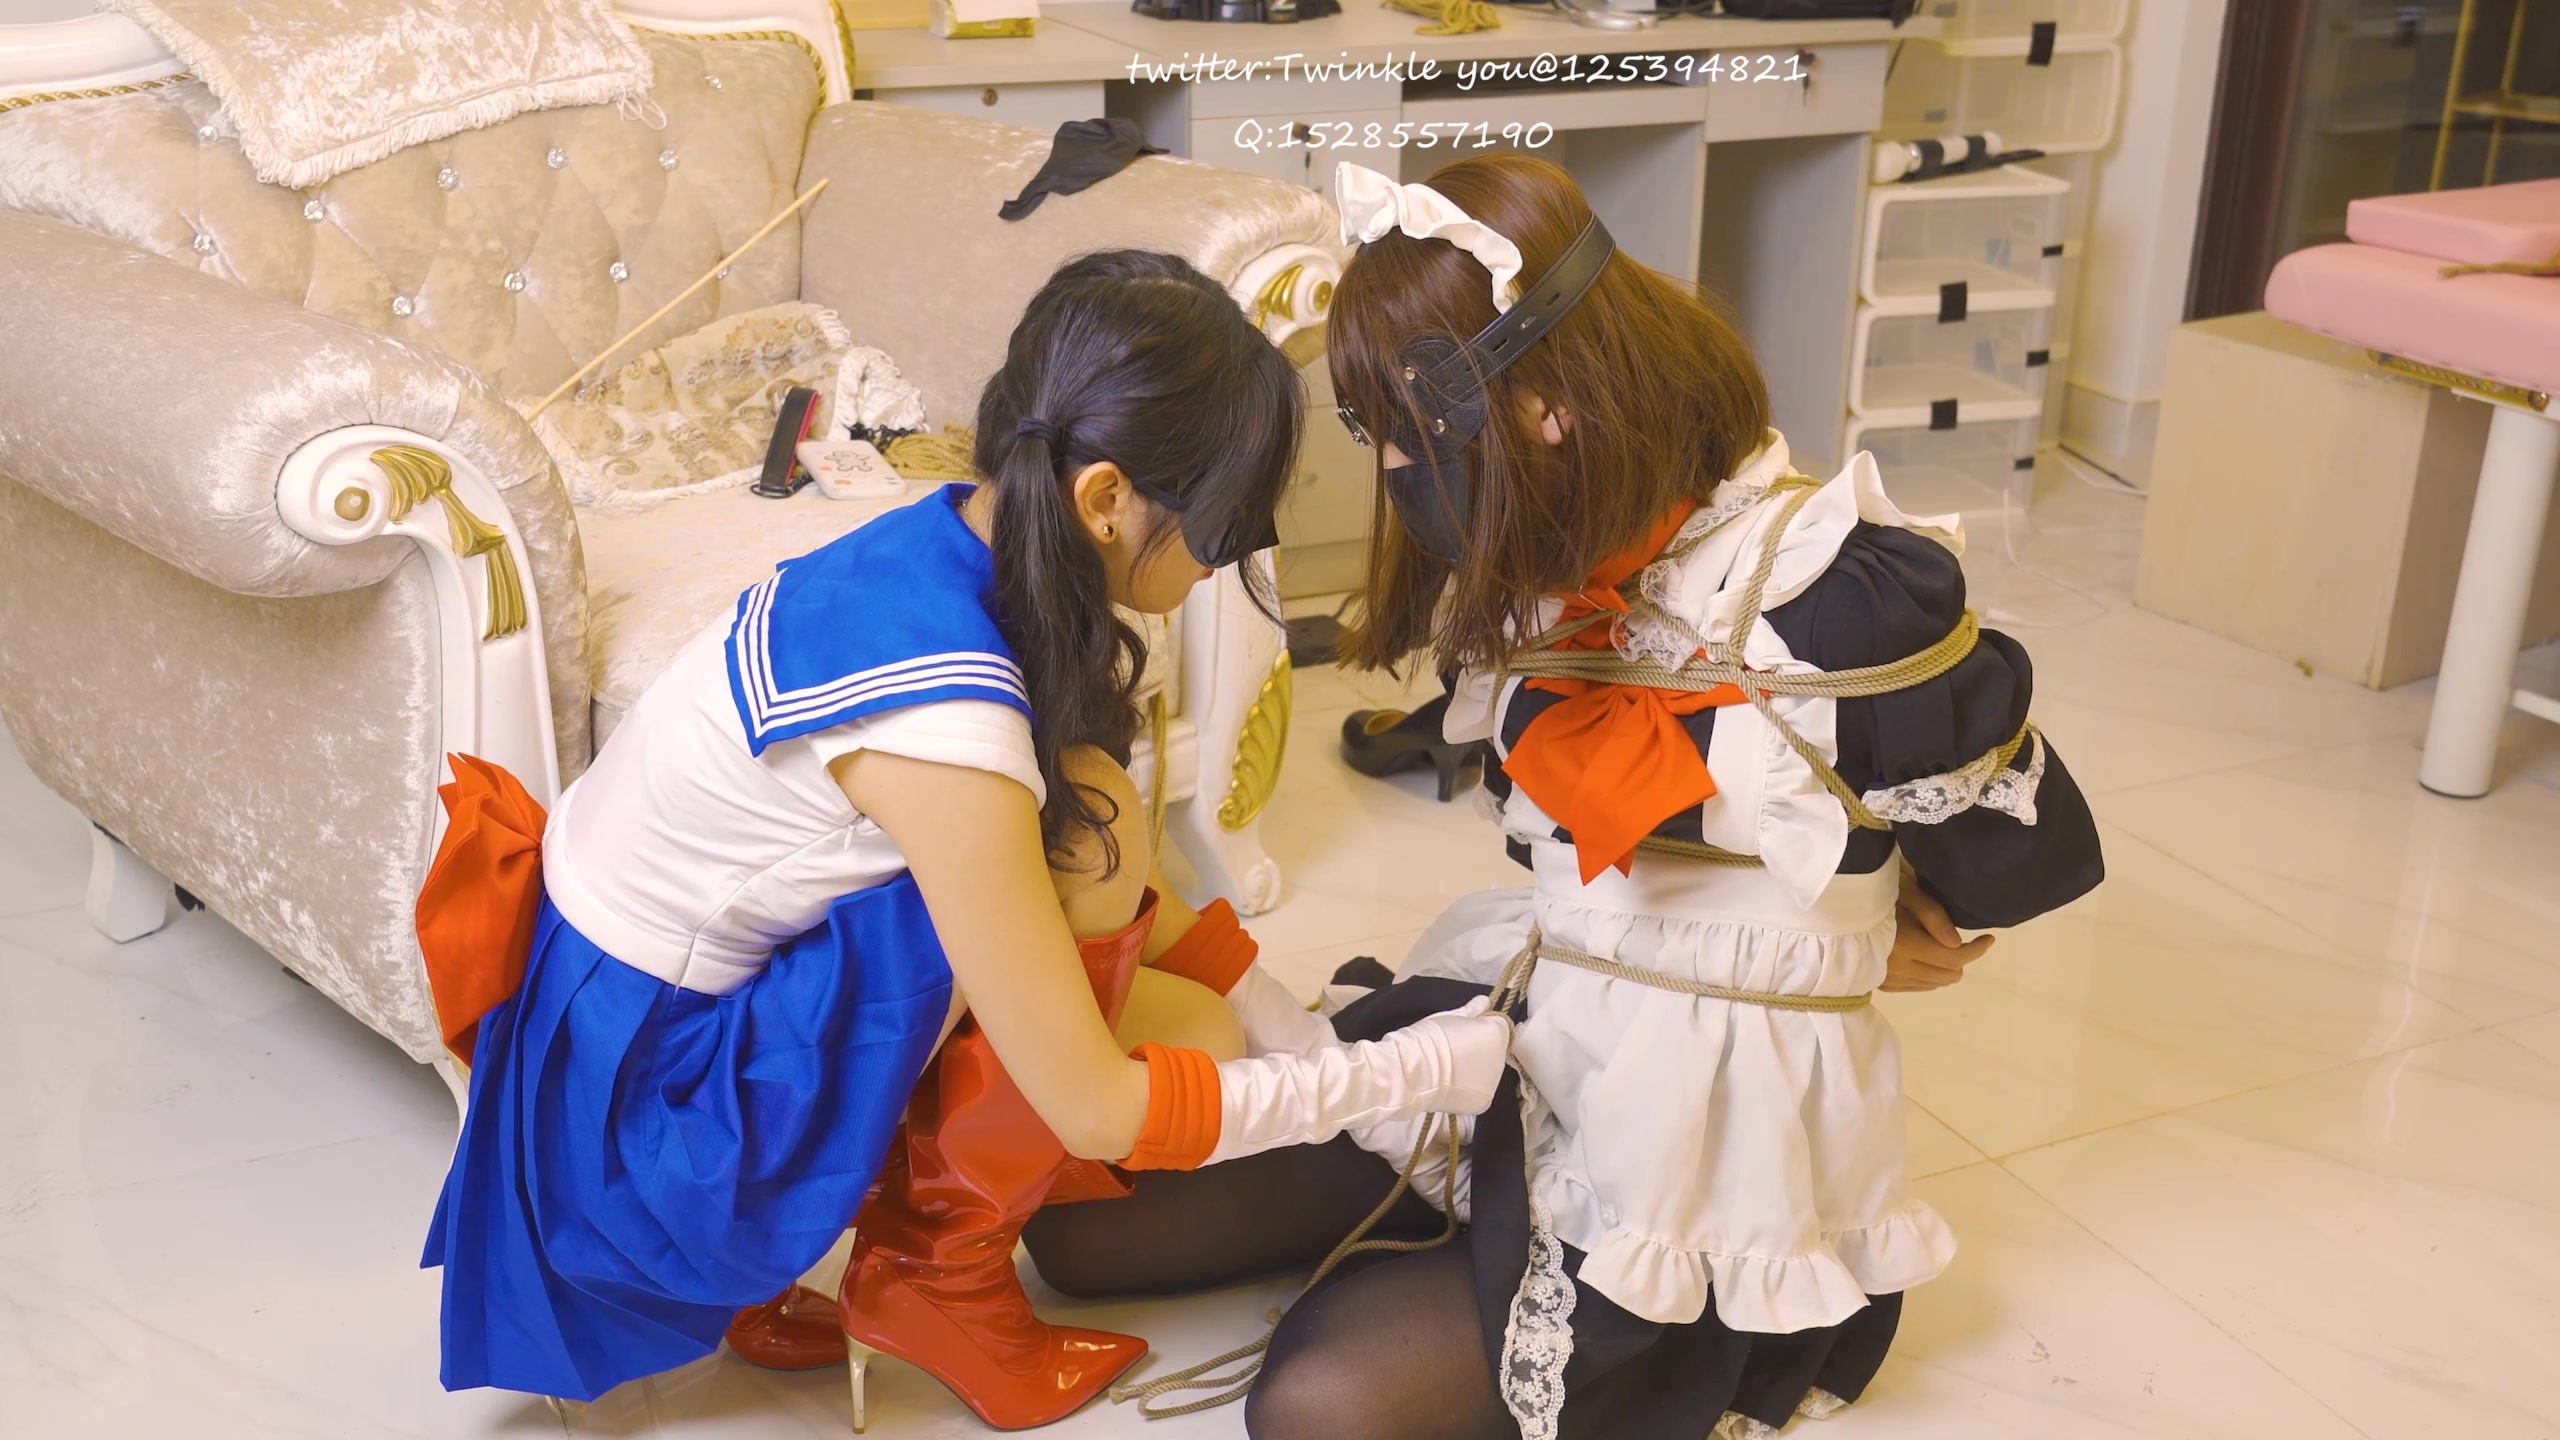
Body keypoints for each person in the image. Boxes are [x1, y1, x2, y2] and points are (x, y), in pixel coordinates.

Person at [1020, 158, 2104, 1440]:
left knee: (1322, 1410)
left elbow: (2022, 853)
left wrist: (1869, 908)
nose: (1392, 471)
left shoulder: (1833, 592)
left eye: (1400, 431)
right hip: (1540, 1025)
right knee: (1078, 1232)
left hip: (1699, 1140)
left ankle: (1497, 1264)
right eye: (1372, 431)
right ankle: (1454, 1216)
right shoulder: (1541, 559)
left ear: (1539, 408)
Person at [413, 249, 1514, 1428]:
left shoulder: (946, 540)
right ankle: (938, 1278)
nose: (1231, 559)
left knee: (1096, 843)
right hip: (642, 1131)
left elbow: (1145, 913)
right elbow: (1095, 1109)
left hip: (611, 1018)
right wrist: (1407, 1077)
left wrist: (1321, 1058)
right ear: (1105, 500)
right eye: (1229, 521)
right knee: (1129, 922)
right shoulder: (952, 727)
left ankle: (832, 1267)